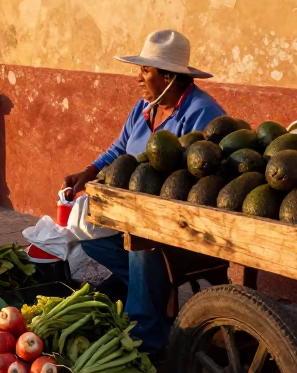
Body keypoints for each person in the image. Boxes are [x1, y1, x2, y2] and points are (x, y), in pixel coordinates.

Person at [61, 30, 225, 354]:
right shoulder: (144, 108)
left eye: (145, 71)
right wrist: (88, 172)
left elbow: (201, 174)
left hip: (182, 224)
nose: (138, 78)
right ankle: (149, 295)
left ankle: (146, 338)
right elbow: (119, 149)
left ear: (168, 76)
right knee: (89, 236)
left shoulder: (201, 112)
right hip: (139, 216)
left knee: (141, 249)